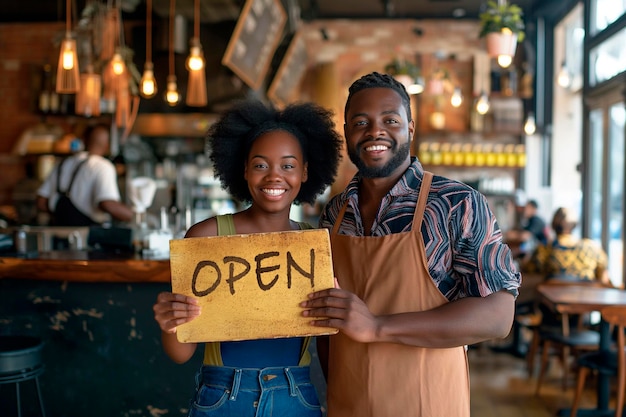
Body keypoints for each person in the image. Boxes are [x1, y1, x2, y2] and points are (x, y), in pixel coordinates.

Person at [300, 72, 521, 417]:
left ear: (410, 128)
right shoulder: (335, 212)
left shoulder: (456, 203)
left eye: (390, 120)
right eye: (361, 122)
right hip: (349, 400)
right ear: (347, 133)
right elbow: (328, 317)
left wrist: (376, 327)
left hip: (427, 402)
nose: (375, 131)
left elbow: (498, 316)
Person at [152, 100, 343, 417]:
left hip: (295, 397)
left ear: (306, 171)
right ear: (243, 169)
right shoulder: (205, 238)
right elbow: (180, 354)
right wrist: (170, 323)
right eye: (260, 165)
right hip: (222, 397)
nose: (274, 176)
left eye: (288, 165)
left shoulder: (316, 245)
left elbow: (329, 343)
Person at [36, 123, 134, 226]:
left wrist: (63, 213)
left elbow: (41, 202)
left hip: (57, 235)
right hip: (88, 237)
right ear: (107, 146)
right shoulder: (103, 166)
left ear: (85, 140)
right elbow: (107, 204)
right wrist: (136, 217)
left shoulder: (63, 164)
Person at [522, 207, 610, 284]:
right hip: (588, 299)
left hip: (555, 300)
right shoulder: (592, 248)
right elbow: (604, 277)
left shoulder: (545, 249)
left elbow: (528, 270)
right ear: (575, 225)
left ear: (553, 225)